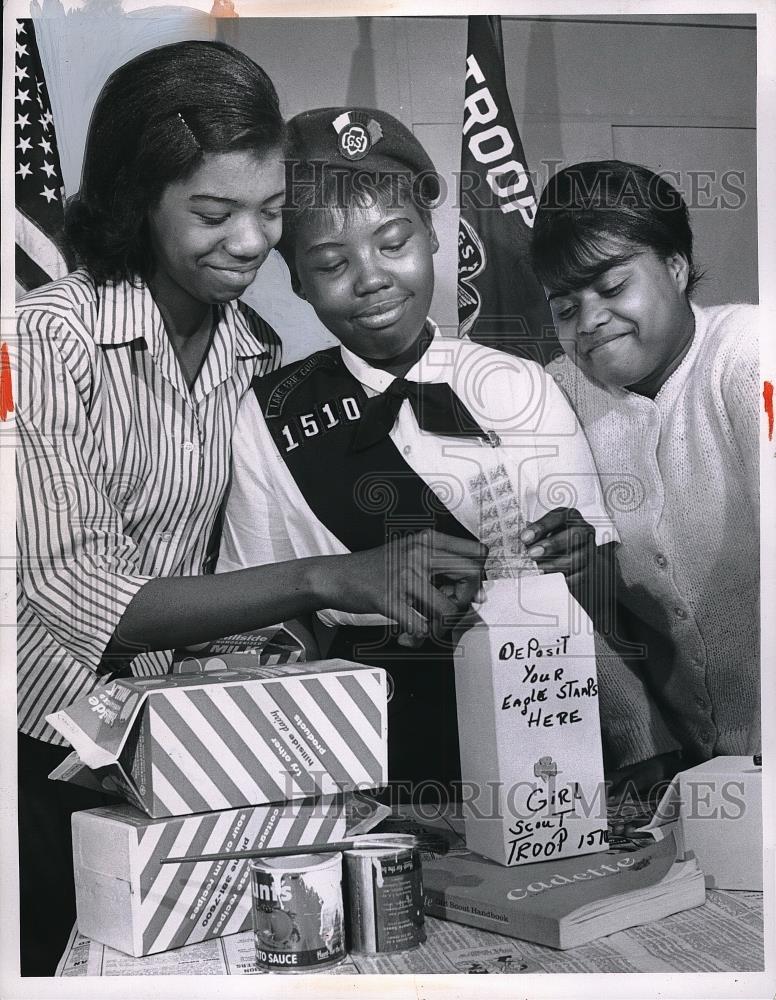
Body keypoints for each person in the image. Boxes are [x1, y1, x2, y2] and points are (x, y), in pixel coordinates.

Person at [16, 47, 485, 976]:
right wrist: (328, 576)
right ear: (136, 198)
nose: (248, 242)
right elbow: (80, 598)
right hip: (36, 751)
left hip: (172, 748)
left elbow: (226, 560)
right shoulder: (39, 341)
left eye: (269, 212)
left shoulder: (252, 351)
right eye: (213, 213)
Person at [217, 107, 616, 798]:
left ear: (432, 235)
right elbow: (265, 604)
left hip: (531, 690)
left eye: (393, 242)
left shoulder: (517, 383)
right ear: (298, 282)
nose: (370, 279)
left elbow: (596, 577)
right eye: (333, 264)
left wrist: (578, 556)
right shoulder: (271, 411)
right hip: (358, 716)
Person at [529, 159, 760, 792]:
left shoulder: (750, 354)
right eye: (565, 306)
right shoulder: (555, 394)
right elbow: (557, 604)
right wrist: (640, 744)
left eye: (611, 287)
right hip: (677, 774)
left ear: (677, 268)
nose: (591, 320)